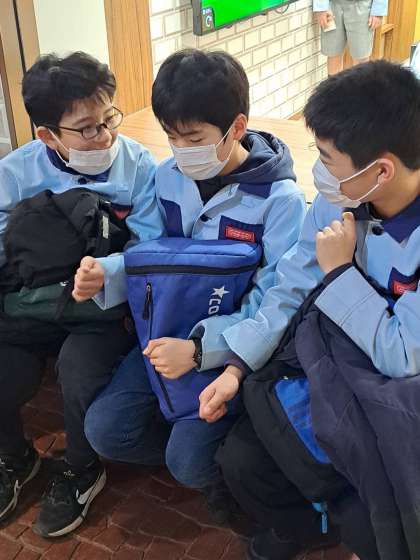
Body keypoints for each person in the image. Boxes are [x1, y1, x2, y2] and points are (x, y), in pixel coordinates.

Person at [84, 49, 306, 522]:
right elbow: (147, 252)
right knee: (105, 432)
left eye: (194, 138)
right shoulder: (167, 176)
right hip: (163, 333)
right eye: (171, 136)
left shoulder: (280, 200)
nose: (181, 150)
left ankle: (217, 465)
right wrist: (108, 273)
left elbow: (276, 299)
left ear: (236, 127)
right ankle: (184, 436)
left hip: (228, 348)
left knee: (188, 464)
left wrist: (203, 351)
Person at [212, 59, 420, 559]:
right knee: (240, 460)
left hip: (393, 403)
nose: (318, 172)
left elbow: (403, 355)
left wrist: (340, 273)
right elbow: (293, 280)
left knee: (373, 520)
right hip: (333, 374)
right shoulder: (343, 195)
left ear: (381, 170)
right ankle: (306, 528)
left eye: (327, 158)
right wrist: (238, 363)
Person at [0, 51, 163, 538]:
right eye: (86, 129)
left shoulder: (139, 165)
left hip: (98, 309)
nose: (104, 136)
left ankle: (81, 469)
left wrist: (110, 269)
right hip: (32, 302)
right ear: (47, 135)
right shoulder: (17, 171)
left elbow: (152, 244)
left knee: (79, 370)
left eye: (108, 118)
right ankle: (15, 458)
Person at [313, 0, 388, 75]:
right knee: (333, 54)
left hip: (362, 6)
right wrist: (321, 7)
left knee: (361, 56)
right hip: (332, 5)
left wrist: (378, 10)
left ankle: (360, 83)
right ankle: (334, 83)